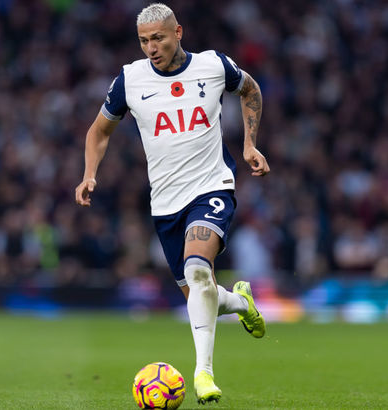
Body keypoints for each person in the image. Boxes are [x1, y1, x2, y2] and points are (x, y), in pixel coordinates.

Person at [74, 3, 270, 404]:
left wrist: (250, 144)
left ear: (178, 32)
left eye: (158, 38)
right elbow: (98, 132)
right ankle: (240, 301)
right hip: (165, 204)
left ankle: (203, 374)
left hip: (212, 187)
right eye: (144, 40)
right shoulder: (129, 80)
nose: (151, 47)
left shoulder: (214, 66)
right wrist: (90, 172)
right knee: (204, 296)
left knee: (198, 269)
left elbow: (249, 88)